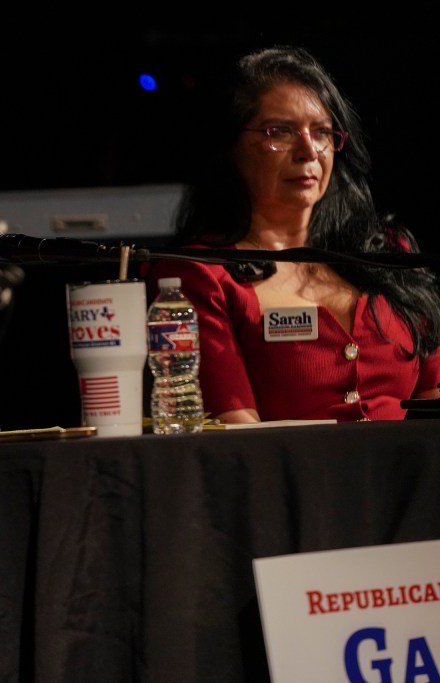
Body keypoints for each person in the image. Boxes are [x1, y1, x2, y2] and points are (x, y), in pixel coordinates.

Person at [143, 45, 440, 423]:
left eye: (322, 132)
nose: (309, 151)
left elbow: (434, 407)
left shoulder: (387, 253)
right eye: (279, 132)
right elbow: (237, 435)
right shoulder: (200, 275)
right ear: (230, 147)